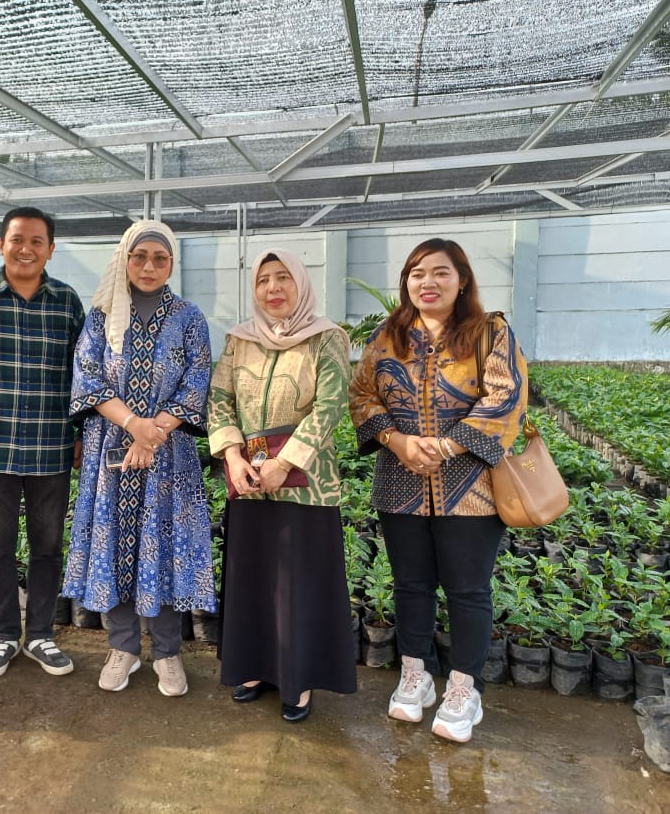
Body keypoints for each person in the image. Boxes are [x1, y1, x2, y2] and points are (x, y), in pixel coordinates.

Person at [349, 238, 528, 744]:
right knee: (410, 584)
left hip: (470, 486)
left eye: (440, 273)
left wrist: (447, 448)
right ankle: (416, 674)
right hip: (399, 481)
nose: (427, 283)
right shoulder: (389, 336)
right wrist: (396, 439)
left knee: (468, 590)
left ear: (462, 279)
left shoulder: (489, 331)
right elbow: (362, 393)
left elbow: (505, 396)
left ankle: (464, 688)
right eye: (416, 274)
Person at [64, 221, 215, 697]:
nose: (149, 267)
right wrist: (135, 426)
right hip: (111, 457)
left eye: (160, 258)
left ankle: (168, 654)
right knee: (115, 550)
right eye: (140, 256)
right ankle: (124, 648)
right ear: (124, 259)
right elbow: (88, 379)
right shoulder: (100, 316)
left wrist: (153, 435)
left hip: (170, 461)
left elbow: (197, 383)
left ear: (172, 265)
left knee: (165, 548)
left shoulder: (189, 317)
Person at [207, 249, 357, 723]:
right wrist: (231, 454)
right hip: (248, 479)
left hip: (306, 483)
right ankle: (251, 666)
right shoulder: (239, 340)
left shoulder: (327, 337)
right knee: (252, 577)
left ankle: (299, 677)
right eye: (264, 281)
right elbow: (219, 398)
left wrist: (285, 461)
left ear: (301, 284)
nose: (273, 289)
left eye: (283, 279)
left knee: (299, 582)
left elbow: (331, 405)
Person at [0, 207, 85, 679]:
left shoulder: (66, 303)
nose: (26, 249)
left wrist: (80, 435)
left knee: (48, 546)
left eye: (37, 241)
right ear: (1, 244)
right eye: (17, 239)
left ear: (51, 249)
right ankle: (4, 637)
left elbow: (83, 378)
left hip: (50, 449)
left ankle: (41, 635)